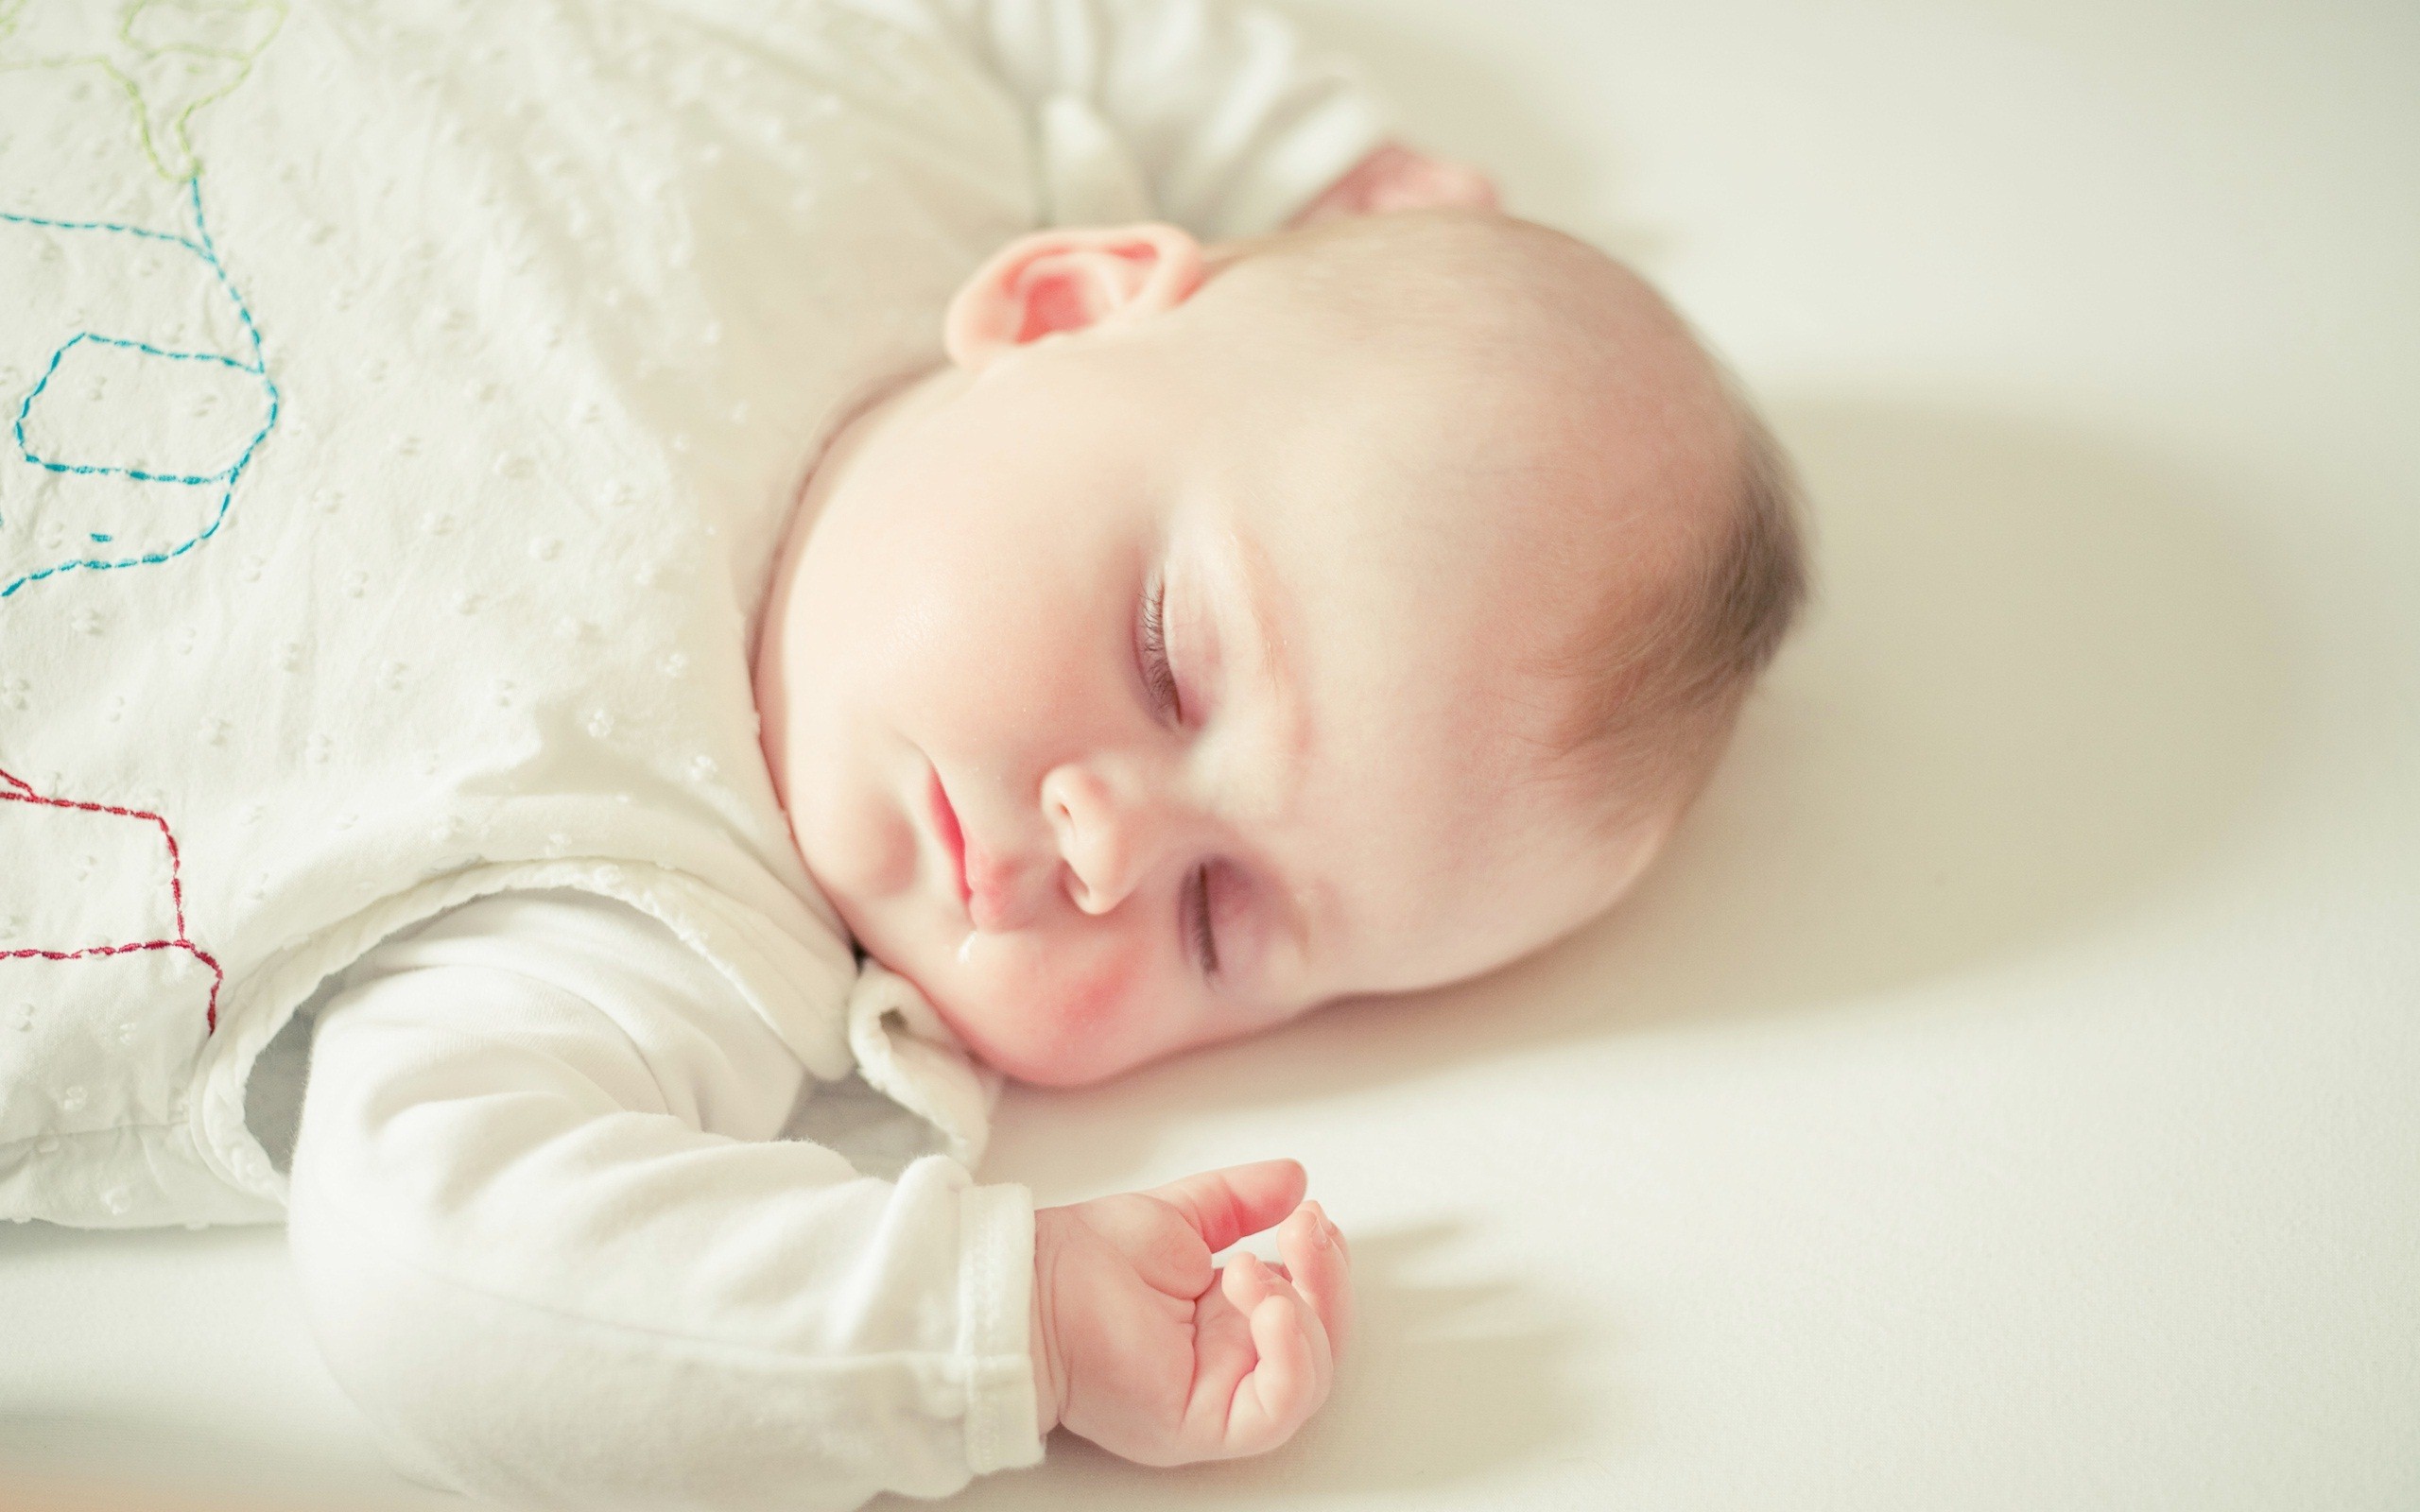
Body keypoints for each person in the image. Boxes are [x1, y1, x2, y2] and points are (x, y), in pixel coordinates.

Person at [0, 2, 1803, 1505]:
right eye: (1170, 667)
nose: (1106, 852)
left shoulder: (648, 925)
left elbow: (438, 1265)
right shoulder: (879, 134)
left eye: (1221, 925)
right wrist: (1285, 143)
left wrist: (999, 1325)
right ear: (1065, 306)